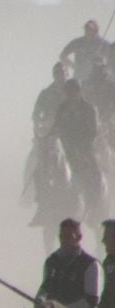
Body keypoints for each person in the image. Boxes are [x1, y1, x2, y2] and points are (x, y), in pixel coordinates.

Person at [52, 79, 105, 219]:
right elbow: (56, 127)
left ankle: (94, 205)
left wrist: (82, 146)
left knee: (96, 173)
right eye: (69, 91)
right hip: (65, 148)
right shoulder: (62, 108)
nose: (72, 94)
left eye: (74, 91)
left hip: (84, 148)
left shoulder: (88, 109)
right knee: (43, 169)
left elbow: (93, 131)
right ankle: (43, 206)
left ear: (79, 91)